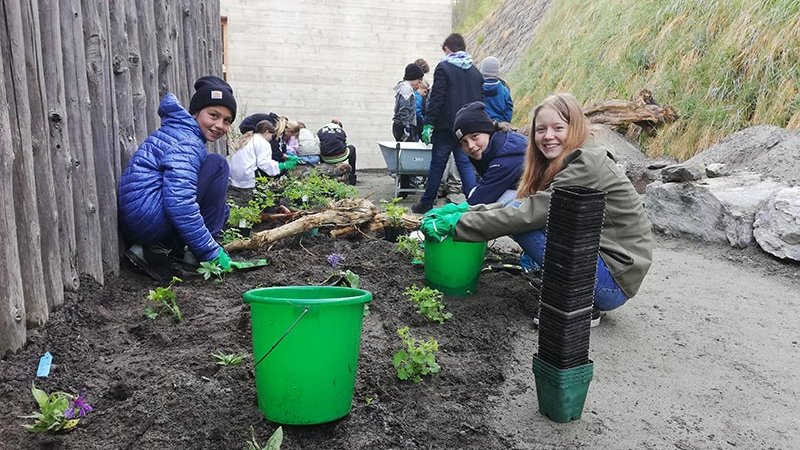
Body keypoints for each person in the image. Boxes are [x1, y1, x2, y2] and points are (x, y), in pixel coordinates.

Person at [420, 93, 654, 324]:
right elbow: (519, 205)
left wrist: (459, 224)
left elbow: (526, 215)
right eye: (541, 130)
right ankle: (567, 286)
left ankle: (580, 305)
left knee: (525, 225)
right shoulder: (569, 158)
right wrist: (461, 213)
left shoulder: (586, 164)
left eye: (558, 128)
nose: (548, 136)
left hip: (612, 281)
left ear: (575, 127)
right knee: (520, 210)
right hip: (606, 268)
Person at [118, 75, 238, 281]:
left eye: (227, 121)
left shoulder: (179, 133)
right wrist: (210, 252)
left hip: (141, 217)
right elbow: (180, 203)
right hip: (148, 220)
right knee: (217, 164)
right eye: (213, 115)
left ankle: (164, 248)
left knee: (220, 204)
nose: (220, 125)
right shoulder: (187, 143)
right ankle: (189, 255)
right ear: (196, 112)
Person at [412, 33, 484, 214]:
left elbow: (436, 98)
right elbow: (479, 101)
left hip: (445, 127)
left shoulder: (444, 68)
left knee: (437, 164)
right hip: (466, 127)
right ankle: (474, 203)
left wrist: (428, 123)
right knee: (465, 164)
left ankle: (427, 203)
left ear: (447, 49)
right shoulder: (475, 72)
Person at [453, 101, 526, 205]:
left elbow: (480, 200)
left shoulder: (505, 156)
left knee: (505, 204)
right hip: (525, 191)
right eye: (464, 142)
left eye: (474, 136)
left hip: (544, 201)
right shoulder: (492, 146)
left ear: (488, 131)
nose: (471, 146)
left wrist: (455, 214)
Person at [229, 119, 299, 190]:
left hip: (234, 177)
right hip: (246, 179)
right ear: (267, 132)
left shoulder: (250, 138)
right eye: (272, 135)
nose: (271, 138)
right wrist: (282, 166)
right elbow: (264, 164)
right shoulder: (263, 143)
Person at [318, 119, 358, 185]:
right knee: (352, 148)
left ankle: (325, 173)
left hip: (325, 158)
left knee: (320, 148)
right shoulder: (341, 131)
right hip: (340, 156)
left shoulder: (321, 131)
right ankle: (352, 175)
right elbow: (344, 143)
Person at [393, 63, 425, 142]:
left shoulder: (402, 87)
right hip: (404, 126)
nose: (420, 83)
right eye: (419, 80)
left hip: (399, 125)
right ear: (413, 78)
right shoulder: (407, 90)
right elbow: (404, 109)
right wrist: (407, 126)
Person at [479, 56, 514, 123]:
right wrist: (505, 121)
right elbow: (509, 107)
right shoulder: (504, 89)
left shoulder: (476, 88)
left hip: (482, 123)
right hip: (501, 124)